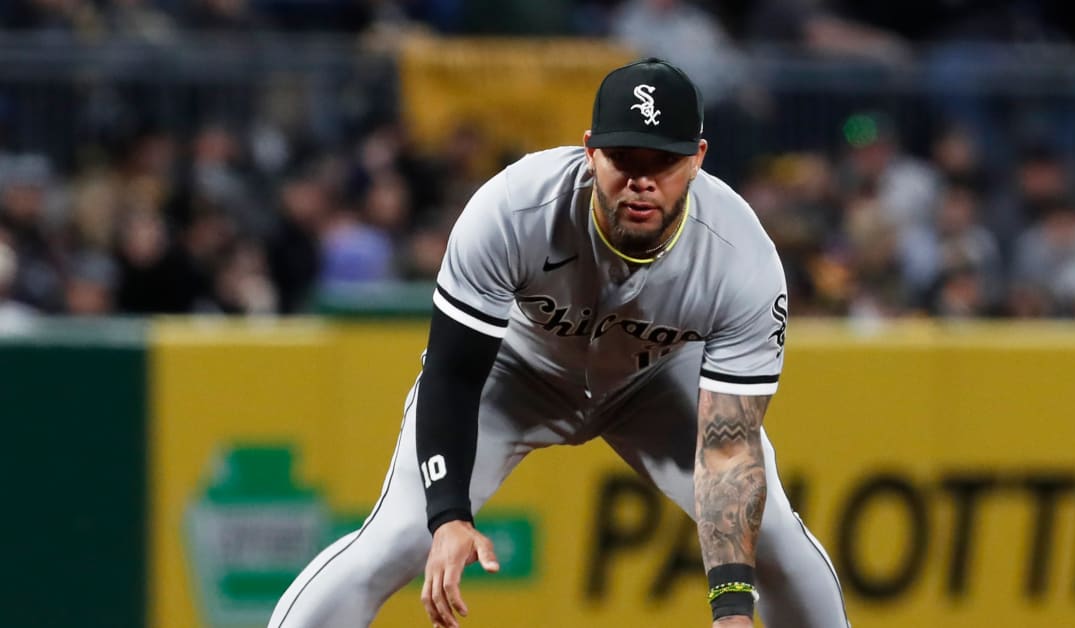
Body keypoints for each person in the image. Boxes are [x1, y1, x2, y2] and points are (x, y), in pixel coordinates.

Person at [269, 57, 850, 628]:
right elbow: (453, 373)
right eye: (623, 158)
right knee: (397, 539)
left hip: (655, 381)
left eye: (664, 161)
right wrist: (447, 517)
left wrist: (730, 612)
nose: (641, 179)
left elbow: (728, 452)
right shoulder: (515, 207)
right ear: (590, 150)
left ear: (698, 159)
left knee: (772, 535)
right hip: (517, 371)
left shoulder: (740, 258)